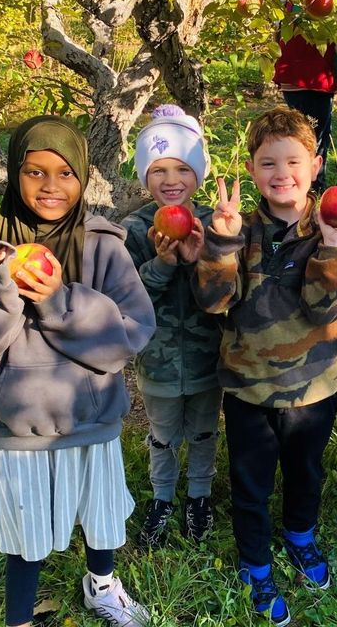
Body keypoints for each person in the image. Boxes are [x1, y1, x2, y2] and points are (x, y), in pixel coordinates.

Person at [0, 116, 156, 627]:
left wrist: (60, 300)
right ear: (15, 175)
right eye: (35, 172)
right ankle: (20, 617)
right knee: (27, 531)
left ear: (83, 177)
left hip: (92, 417)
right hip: (22, 427)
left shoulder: (104, 246)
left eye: (65, 173)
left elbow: (132, 332)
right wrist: (2, 291)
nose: (50, 186)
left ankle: (102, 585)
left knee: (101, 518)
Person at [193, 106, 337, 626]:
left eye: (293, 161)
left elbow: (326, 309)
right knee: (251, 480)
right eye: (268, 163)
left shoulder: (332, 225)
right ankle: (255, 561)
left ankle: (300, 534)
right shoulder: (236, 228)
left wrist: (333, 249)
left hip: (313, 388)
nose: (281, 173)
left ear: (315, 164)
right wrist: (220, 242)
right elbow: (215, 301)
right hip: (248, 388)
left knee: (305, 470)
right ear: (250, 170)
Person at [123, 104, 223, 546]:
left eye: (183, 168)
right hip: (158, 363)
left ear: (197, 174)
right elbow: (127, 301)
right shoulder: (133, 231)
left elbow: (225, 296)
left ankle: (199, 495)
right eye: (158, 169)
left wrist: (202, 259)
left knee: (204, 429)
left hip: (207, 358)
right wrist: (162, 265)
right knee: (162, 434)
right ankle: (163, 497)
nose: (171, 180)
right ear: (145, 176)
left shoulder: (215, 226)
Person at [273, 9, 337, 192]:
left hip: (291, 80)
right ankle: (314, 184)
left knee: (298, 132)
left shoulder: (288, 8)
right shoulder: (329, 7)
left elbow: (277, 39)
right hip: (318, 81)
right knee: (317, 136)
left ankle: (295, 178)